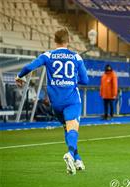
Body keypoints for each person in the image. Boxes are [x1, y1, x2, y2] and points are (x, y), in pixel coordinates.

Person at [15, 28, 89, 175]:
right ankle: (69, 153)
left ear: (54, 41)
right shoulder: (76, 57)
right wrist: (72, 80)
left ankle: (78, 159)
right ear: (68, 41)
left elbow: (29, 67)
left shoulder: (48, 55)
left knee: (67, 129)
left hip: (56, 103)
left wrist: (19, 76)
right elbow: (85, 80)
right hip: (71, 101)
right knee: (73, 129)